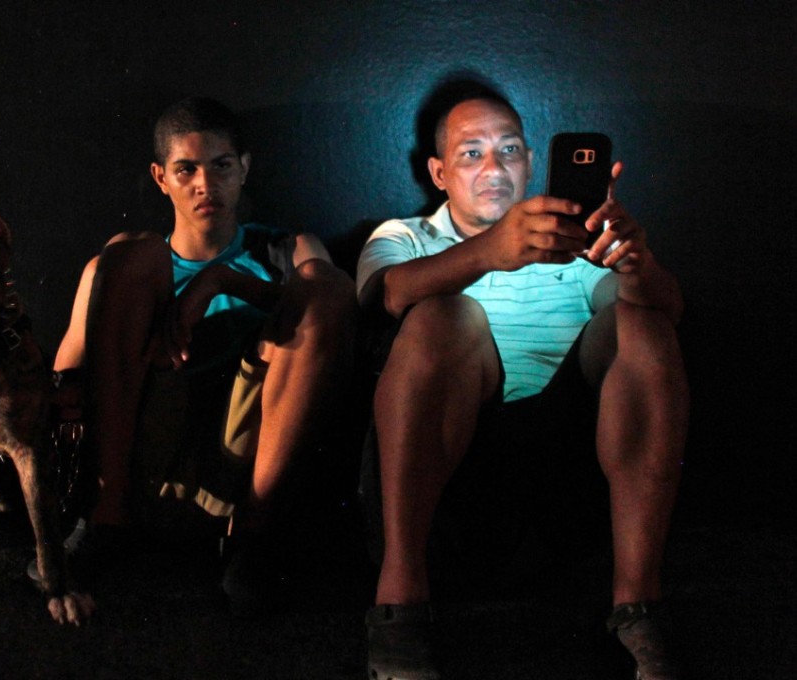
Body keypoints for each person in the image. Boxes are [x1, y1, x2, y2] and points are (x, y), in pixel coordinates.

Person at [357, 79, 689, 679]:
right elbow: (390, 294)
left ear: (533, 163)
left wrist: (638, 265)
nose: (494, 167)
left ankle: (639, 607)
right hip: (456, 444)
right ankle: (398, 605)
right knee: (441, 311)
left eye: (510, 150)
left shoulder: (579, 246)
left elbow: (667, 311)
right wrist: (489, 250)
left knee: (642, 321)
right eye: (471, 152)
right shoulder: (407, 237)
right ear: (438, 172)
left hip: (573, 448)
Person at [51, 96, 355, 615]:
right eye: (186, 169)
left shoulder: (285, 247)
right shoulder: (134, 265)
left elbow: (334, 307)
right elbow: (68, 376)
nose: (205, 185)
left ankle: (254, 538)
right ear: (160, 177)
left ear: (245, 169)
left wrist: (220, 281)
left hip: (249, 465)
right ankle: (105, 515)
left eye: (221, 166)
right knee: (125, 253)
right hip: (147, 459)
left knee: (320, 283)